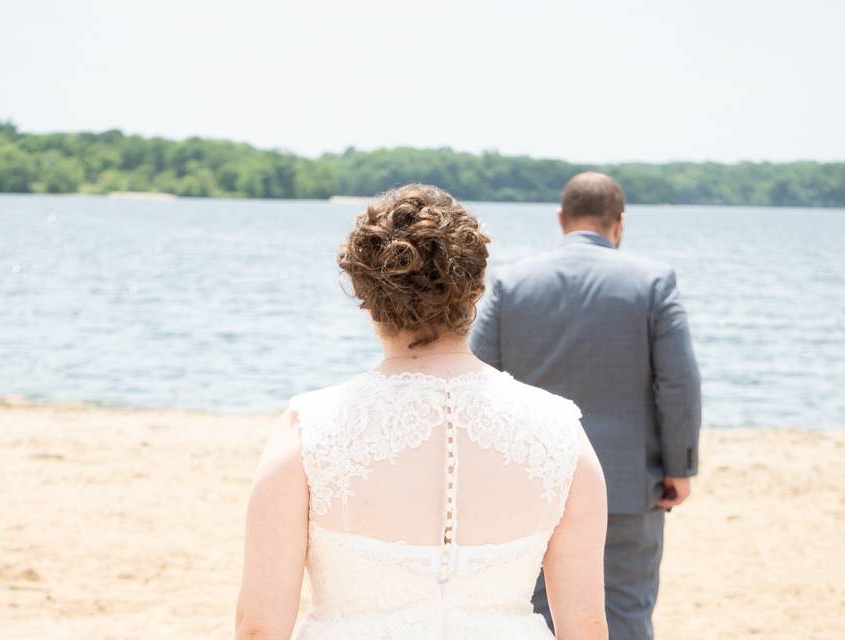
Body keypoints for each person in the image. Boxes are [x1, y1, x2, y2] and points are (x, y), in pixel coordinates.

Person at [235, 184, 608, 640]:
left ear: (366, 297)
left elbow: (259, 629)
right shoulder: (561, 431)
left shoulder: (309, 429)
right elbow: (586, 626)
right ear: (474, 291)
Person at [469, 171, 702, 640]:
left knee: (533, 612)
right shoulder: (654, 281)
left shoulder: (511, 284)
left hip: (530, 482)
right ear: (620, 223)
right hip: (628, 486)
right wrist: (680, 467)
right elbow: (677, 383)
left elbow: (478, 379)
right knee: (625, 609)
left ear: (561, 219)